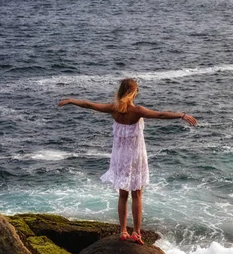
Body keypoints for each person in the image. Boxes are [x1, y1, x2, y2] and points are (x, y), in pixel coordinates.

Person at [58, 78, 197, 245]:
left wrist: (72, 100)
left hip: (119, 157)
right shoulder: (137, 110)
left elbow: (89, 104)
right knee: (137, 195)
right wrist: (181, 115)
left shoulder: (113, 109)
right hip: (135, 156)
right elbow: (160, 115)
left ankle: (123, 230)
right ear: (133, 93)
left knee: (123, 195)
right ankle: (136, 233)